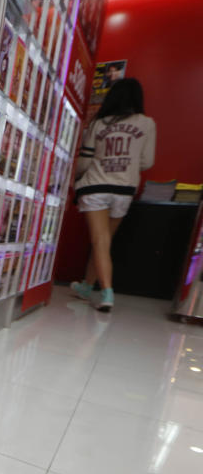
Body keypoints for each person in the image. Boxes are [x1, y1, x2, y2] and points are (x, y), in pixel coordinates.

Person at [70, 78, 156, 312]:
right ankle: (87, 287)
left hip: (95, 186)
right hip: (124, 189)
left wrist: (72, 178)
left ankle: (107, 292)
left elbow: (85, 163)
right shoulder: (147, 123)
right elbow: (147, 161)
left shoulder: (98, 124)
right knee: (104, 242)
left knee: (100, 241)